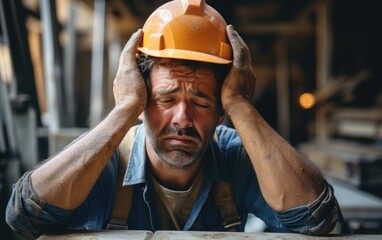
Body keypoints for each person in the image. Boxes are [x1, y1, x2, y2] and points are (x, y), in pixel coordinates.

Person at [6, 0, 342, 238]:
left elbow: (319, 220)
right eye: (166, 99)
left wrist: (242, 106)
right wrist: (124, 109)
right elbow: (24, 218)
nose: (182, 118)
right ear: (142, 98)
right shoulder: (106, 162)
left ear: (221, 112)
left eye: (200, 100)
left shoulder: (234, 158)